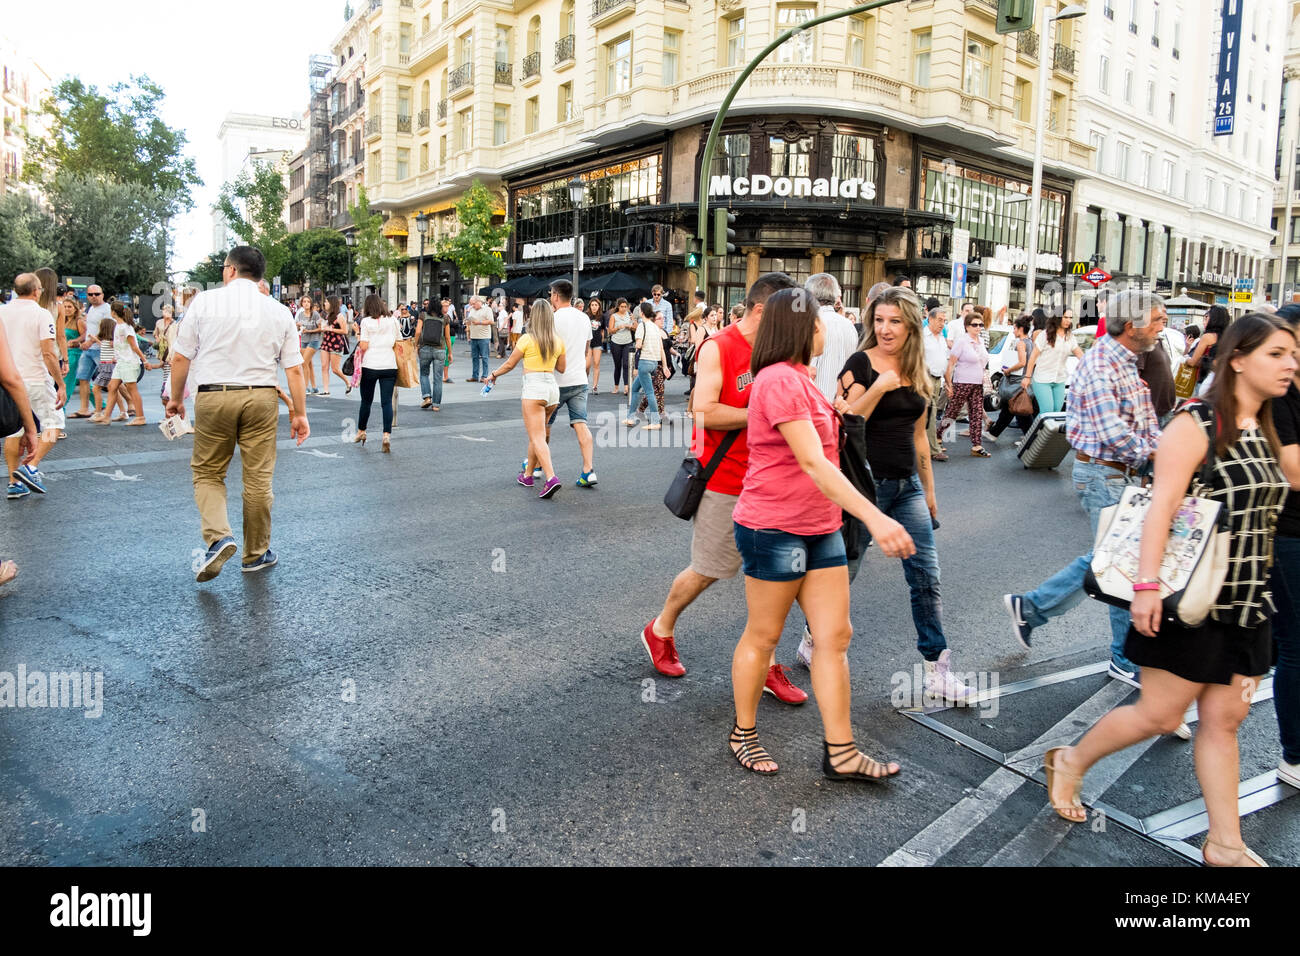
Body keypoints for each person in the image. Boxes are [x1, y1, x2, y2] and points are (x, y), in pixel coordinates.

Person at [1042, 313, 1295, 868]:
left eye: (1292, 354)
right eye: (1277, 354)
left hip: (1247, 603)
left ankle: (1225, 843)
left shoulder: (1266, 424)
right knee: (1159, 713)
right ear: (1237, 358)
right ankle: (1071, 761)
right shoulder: (1198, 423)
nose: (1290, 364)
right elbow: (1161, 508)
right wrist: (1147, 588)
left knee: (1224, 721)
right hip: (1190, 601)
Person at [728, 286, 915, 776]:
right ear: (799, 328)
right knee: (764, 635)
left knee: (834, 635)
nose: (824, 329)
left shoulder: (805, 379)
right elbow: (812, 462)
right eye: (817, 323)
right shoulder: (779, 382)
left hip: (820, 527)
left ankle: (842, 751)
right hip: (774, 528)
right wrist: (876, 517)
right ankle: (743, 732)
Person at [640, 273, 811, 706]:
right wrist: (762, 408)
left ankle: (767, 663)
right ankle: (660, 628)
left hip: (775, 481)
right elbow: (702, 412)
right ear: (760, 310)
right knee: (708, 570)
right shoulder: (720, 346)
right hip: (726, 480)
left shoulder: (782, 351)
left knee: (779, 578)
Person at [800, 285, 974, 703]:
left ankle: (938, 669)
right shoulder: (860, 363)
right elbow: (842, 417)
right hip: (865, 486)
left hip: (907, 487)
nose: (885, 329)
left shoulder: (917, 368)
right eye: (879, 320)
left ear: (910, 325)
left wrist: (929, 491)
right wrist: (880, 385)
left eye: (895, 321)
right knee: (845, 574)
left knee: (926, 577)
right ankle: (811, 637)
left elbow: (919, 437)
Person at [1002, 290, 1167, 687]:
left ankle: (1033, 608)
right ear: (1132, 326)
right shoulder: (1101, 364)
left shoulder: (1124, 361)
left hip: (1120, 474)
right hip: (1106, 475)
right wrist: (1158, 457)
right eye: (1159, 320)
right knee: (1117, 564)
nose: (1163, 327)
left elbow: (1140, 424)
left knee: (1113, 561)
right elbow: (1114, 434)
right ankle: (1121, 655)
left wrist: (1157, 450)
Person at [168, 246, 309, 581]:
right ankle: (256, 553)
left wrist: (176, 399)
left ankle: (219, 537)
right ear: (258, 275)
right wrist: (299, 414)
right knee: (258, 478)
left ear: (230, 270)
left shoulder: (203, 302)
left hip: (214, 396)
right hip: (261, 397)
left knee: (208, 472)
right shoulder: (279, 312)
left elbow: (180, 358)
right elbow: (294, 370)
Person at [484, 299, 567, 499]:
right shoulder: (557, 340)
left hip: (534, 388)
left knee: (537, 437)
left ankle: (551, 478)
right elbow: (562, 368)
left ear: (533, 317)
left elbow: (510, 364)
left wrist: (493, 375)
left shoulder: (527, 339)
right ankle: (528, 475)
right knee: (536, 434)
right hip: (552, 390)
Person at [1270, 305, 1300, 791]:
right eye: (1283, 351)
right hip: (1284, 535)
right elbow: (1295, 474)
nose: (1291, 360)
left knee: (1279, 644)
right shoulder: (1274, 399)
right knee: (1296, 644)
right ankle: (1294, 756)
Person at [1, 274, 63, 499]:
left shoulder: (2, 311)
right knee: (53, 424)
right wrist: (61, 384)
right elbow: (48, 352)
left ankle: (13, 482)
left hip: (9, 378)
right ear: (36, 290)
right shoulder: (41, 313)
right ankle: (31, 467)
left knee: (15, 430)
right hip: (35, 378)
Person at [541, 281, 597, 486]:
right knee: (581, 423)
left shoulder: (552, 319)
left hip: (556, 380)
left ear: (555, 296)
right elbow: (586, 350)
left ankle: (538, 464)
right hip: (579, 378)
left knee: (544, 424)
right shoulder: (584, 318)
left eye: (550, 294)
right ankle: (588, 470)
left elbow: (547, 350)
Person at [938, 309, 991, 456]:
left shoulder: (980, 342)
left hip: (977, 383)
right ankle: (937, 436)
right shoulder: (962, 341)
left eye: (981, 325)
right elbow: (951, 364)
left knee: (976, 413)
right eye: (975, 325)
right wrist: (949, 384)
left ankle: (976, 445)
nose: (978, 327)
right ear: (967, 326)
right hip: (962, 382)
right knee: (952, 412)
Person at [353, 295, 399, 453]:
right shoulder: (393, 320)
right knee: (386, 402)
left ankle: (361, 431)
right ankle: (386, 435)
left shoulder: (365, 322)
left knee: (366, 401)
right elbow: (398, 341)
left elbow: (364, 346)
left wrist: (357, 334)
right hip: (389, 364)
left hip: (370, 365)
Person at [97, 301, 153, 427]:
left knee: (131, 389)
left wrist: (145, 361)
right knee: (112, 386)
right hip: (121, 362)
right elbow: (121, 346)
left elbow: (134, 346)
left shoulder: (126, 328)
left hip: (129, 362)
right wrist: (115, 357)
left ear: (113, 312)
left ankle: (140, 417)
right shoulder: (118, 326)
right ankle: (106, 416)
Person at [806, 273, 859, 403]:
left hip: (815, 406)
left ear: (810, 295)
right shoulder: (849, 326)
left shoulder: (809, 323)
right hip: (842, 405)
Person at [987, 314, 1036, 442]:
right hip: (1025, 380)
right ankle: (994, 433)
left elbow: (1022, 362)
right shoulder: (1031, 343)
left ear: (1020, 329)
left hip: (1016, 382)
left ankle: (1030, 438)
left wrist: (1007, 370)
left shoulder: (1021, 343)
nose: (1013, 331)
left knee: (1019, 409)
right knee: (1011, 408)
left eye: (1014, 328)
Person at [1025, 311, 1082, 415]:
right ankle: (1038, 431)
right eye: (1065, 317)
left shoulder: (1070, 337)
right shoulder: (1045, 334)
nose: (1068, 320)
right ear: (1058, 317)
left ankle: (1043, 431)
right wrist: (1027, 377)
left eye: (1070, 317)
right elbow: (1033, 357)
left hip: (1059, 379)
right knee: (1047, 411)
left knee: (1056, 411)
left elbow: (1080, 355)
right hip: (1042, 379)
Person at [624, 301, 669, 430]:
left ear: (642, 313)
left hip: (644, 362)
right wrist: (664, 366)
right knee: (635, 389)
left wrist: (637, 344)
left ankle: (655, 421)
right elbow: (661, 348)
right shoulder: (655, 327)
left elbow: (638, 345)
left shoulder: (641, 326)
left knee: (649, 392)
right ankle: (630, 417)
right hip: (654, 362)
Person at [923, 305, 950, 460]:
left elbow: (944, 361)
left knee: (929, 414)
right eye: (939, 320)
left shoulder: (941, 339)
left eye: (944, 321)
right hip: (925, 378)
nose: (942, 324)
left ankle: (930, 447)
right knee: (930, 414)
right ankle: (933, 449)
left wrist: (948, 382)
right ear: (930, 319)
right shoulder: (922, 336)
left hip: (937, 379)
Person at [417, 299, 451, 411]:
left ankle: (427, 397)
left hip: (425, 348)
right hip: (440, 350)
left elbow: (417, 332)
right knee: (438, 378)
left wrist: (415, 345)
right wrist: (450, 352)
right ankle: (436, 405)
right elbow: (447, 337)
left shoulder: (423, 315)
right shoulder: (445, 318)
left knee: (424, 373)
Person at [1186, 305, 1230, 388]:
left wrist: (1185, 359)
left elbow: (1192, 362)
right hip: (1222, 382)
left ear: (1214, 319)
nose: (1204, 321)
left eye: (1206, 317)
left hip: (1205, 380)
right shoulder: (1229, 336)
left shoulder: (1208, 337)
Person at [320, 297, 352, 394]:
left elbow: (345, 331)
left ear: (331, 303)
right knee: (324, 367)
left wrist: (331, 329)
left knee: (335, 369)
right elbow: (325, 327)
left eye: (326, 301)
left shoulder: (340, 316)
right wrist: (323, 328)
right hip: (326, 342)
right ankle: (326, 391)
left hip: (336, 344)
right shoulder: (326, 315)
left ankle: (347, 382)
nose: (324, 303)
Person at [606, 298, 636, 395]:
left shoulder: (630, 315)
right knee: (618, 365)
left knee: (626, 365)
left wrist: (630, 326)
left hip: (628, 341)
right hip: (616, 342)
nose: (624, 308)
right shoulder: (613, 316)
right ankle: (616, 386)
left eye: (625, 307)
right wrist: (618, 327)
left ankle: (626, 387)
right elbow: (610, 331)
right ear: (618, 307)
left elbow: (636, 327)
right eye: (622, 307)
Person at [61, 296, 85, 403]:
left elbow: (85, 335)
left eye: (69, 306)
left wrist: (75, 340)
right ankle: (102, 405)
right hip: (64, 353)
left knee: (68, 381)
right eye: (65, 306)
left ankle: (62, 406)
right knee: (84, 381)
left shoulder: (79, 321)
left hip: (75, 354)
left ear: (75, 308)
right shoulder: (63, 320)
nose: (67, 309)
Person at [464, 294, 494, 381]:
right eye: (471, 304)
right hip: (474, 336)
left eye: (473, 304)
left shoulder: (487, 309)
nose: (472, 306)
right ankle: (475, 376)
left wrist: (479, 322)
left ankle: (484, 376)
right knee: (474, 357)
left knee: (485, 357)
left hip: (484, 337)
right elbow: (470, 321)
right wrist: (467, 322)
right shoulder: (472, 310)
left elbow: (491, 321)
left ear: (478, 301)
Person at [297, 295, 322, 395]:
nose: (306, 303)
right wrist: (299, 326)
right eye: (304, 302)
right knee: (309, 365)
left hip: (314, 340)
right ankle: (314, 387)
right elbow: (299, 328)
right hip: (304, 340)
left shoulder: (315, 314)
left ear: (311, 303)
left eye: (308, 301)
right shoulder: (300, 315)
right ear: (302, 304)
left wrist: (309, 330)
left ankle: (305, 387)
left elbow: (320, 328)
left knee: (304, 363)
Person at [585, 296, 605, 393]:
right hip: (588, 343)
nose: (594, 307)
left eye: (596, 305)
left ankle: (595, 387)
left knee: (596, 364)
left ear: (599, 306)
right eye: (592, 305)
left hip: (597, 343)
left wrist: (602, 339)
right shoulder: (586, 316)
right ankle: (584, 384)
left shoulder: (602, 316)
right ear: (589, 306)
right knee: (587, 365)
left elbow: (602, 330)